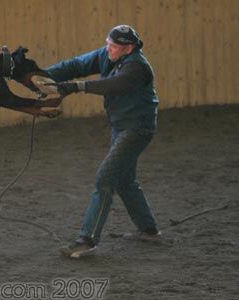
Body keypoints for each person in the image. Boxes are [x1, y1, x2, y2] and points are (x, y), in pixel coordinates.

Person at [46, 25, 161, 258]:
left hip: (137, 129)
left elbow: (113, 84)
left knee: (105, 179)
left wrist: (77, 87)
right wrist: (43, 75)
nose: (107, 48)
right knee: (125, 181)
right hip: (121, 127)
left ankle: (87, 241)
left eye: (113, 46)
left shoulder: (137, 68)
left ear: (128, 48)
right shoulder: (108, 54)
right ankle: (149, 230)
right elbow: (77, 65)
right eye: (107, 43)